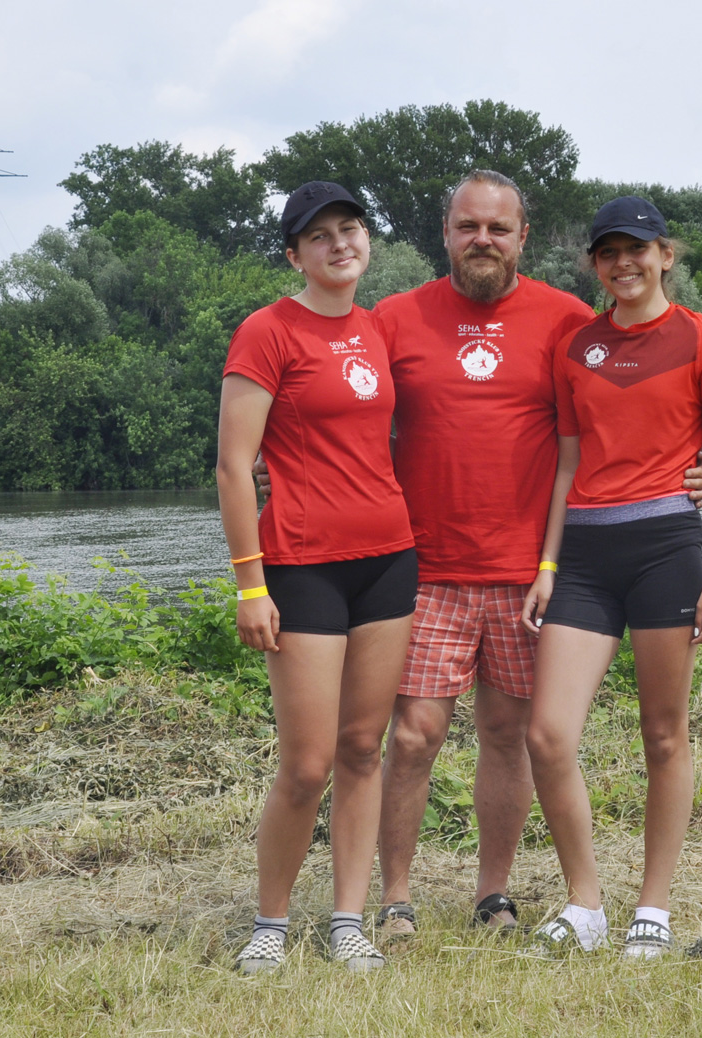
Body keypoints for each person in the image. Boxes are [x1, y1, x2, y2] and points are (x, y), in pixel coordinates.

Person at [254, 173, 702, 936]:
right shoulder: (393, 320)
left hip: (533, 572)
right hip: (420, 565)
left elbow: (631, 399)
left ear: (523, 238)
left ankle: (491, 894)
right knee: (411, 736)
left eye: (499, 229)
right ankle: (394, 898)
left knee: (509, 734)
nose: (483, 241)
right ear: (445, 233)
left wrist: (690, 467)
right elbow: (332, 393)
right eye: (468, 227)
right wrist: (279, 456)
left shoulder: (570, 322)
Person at [519, 195, 702, 958]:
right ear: (593, 264)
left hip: (664, 551)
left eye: (639, 249)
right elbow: (568, 463)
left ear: (666, 256)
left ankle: (653, 907)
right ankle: (586, 905)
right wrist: (548, 564)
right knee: (548, 735)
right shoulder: (575, 347)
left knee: (663, 735)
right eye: (609, 252)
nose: (625, 263)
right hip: (583, 557)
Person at [215, 181, 416, 973]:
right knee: (306, 764)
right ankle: (269, 924)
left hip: (390, 558)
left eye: (353, 229)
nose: (341, 244)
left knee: (364, 747)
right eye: (322, 235)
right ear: (295, 254)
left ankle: (347, 922)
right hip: (300, 566)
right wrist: (249, 583)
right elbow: (235, 467)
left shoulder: (379, 329)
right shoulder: (267, 331)